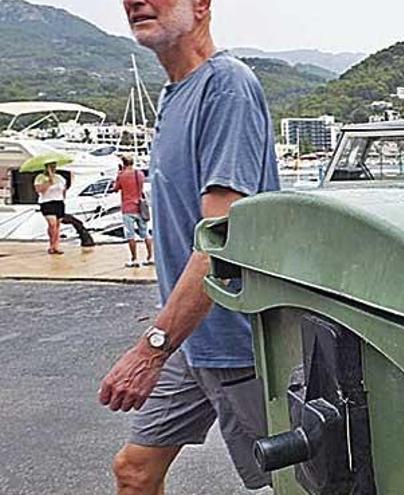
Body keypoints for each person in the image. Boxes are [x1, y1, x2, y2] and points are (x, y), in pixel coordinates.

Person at [100, 1, 280, 494]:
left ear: (201, 4)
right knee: (135, 471)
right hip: (192, 338)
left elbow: (221, 240)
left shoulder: (227, 87)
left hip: (241, 340)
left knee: (306, 482)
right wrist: (167, 331)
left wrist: (152, 349)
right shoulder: (175, 93)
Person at [113, 155, 154, 267]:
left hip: (127, 208)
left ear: (123, 164)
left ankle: (134, 259)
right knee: (146, 234)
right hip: (140, 208)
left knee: (130, 235)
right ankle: (150, 257)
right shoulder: (139, 174)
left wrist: (118, 176)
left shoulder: (122, 176)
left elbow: (115, 189)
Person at [33, 161, 67, 255]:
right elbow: (39, 190)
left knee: (57, 225)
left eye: (54, 166)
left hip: (58, 202)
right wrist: (49, 182)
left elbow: (63, 189)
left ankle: (56, 245)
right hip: (47, 202)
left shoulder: (60, 178)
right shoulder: (40, 178)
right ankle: (51, 245)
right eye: (50, 167)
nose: (53, 168)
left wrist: (63, 198)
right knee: (52, 224)